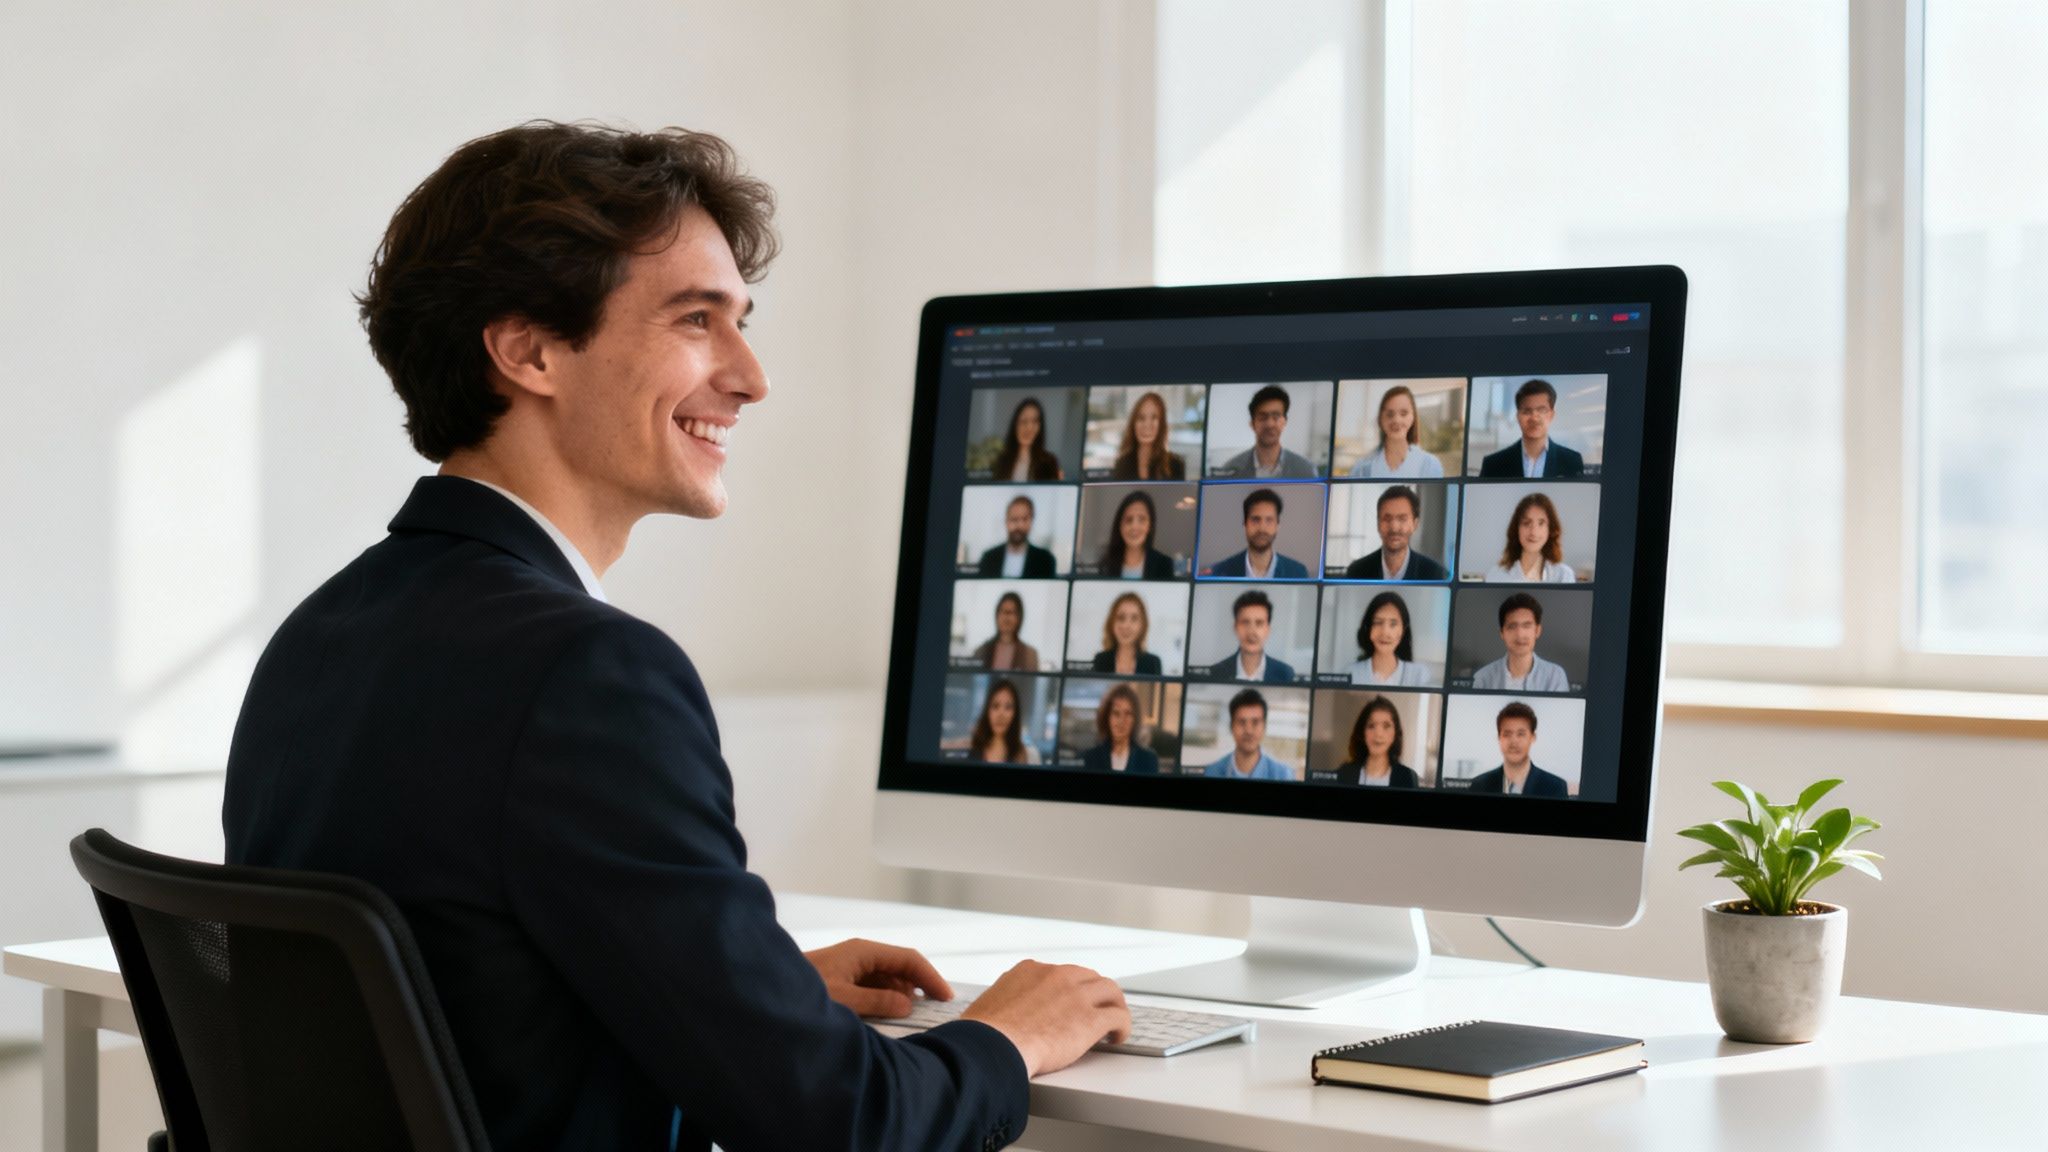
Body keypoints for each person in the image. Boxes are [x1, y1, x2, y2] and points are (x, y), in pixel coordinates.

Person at [223, 121, 1127, 1152]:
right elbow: (844, 1126)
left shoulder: (324, 633)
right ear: (530, 351)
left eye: (740, 322)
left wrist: (750, 995)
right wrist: (1006, 1038)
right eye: (697, 321)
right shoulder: (587, 673)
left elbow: (470, 977)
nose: (750, 376)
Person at [1478, 378, 1585, 478]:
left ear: (1552, 415)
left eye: (1542, 410)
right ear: (1518, 416)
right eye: (1527, 411)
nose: (1534, 418)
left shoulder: (1572, 461)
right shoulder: (1493, 464)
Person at [1469, 593, 1571, 692]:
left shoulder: (1555, 677)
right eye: (1512, 627)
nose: (1520, 634)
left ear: (1537, 631)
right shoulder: (1483, 678)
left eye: (1526, 626)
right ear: (1502, 633)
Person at [1464, 701, 1570, 797]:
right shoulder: (1479, 786)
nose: (1514, 741)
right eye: (1507, 734)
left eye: (1521, 734)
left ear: (1533, 737)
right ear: (1499, 738)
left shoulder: (1555, 787)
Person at [1343, 486, 1449, 580]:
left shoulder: (1435, 574)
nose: (1394, 528)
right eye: (1387, 519)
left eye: (1402, 519)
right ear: (1378, 523)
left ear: (1415, 524)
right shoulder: (1356, 572)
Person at [1203, 488, 1312, 579]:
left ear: (1277, 525)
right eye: (1255, 520)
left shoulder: (1298, 573)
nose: (1262, 528)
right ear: (1245, 524)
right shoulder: (1219, 572)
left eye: (1269, 520)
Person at [1214, 384, 1319, 478]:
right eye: (1262, 417)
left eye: (1276, 416)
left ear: (1284, 422)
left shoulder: (1306, 471)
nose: (1270, 424)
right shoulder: (1231, 471)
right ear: (1252, 424)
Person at [1347, 385, 1445, 479]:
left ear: (1413, 417)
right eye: (1390, 414)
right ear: (1380, 419)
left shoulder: (1430, 465)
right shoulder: (1361, 468)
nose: (1397, 420)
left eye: (1404, 413)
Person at [1200, 590, 1296, 682]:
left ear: (1268, 630)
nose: (1252, 632)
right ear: (1235, 627)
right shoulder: (1216, 673)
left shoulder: (1285, 674)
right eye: (1245, 623)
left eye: (1259, 623)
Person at [1202, 689, 1296, 779]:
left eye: (1255, 722)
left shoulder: (1283, 774)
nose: (1248, 731)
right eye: (1242, 722)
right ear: (1231, 727)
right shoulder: (1212, 772)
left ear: (1264, 727)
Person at [1345, 591, 1432, 687]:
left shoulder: (1420, 675)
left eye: (1393, 624)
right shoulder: (1350, 673)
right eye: (1378, 622)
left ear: (1403, 630)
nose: (1385, 632)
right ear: (1368, 628)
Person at [1483, 491, 1575, 583]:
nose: (1533, 532)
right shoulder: (1496, 575)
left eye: (1541, 523)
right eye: (1526, 523)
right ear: (1516, 528)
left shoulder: (1564, 575)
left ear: (1550, 529)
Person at [1332, 696, 1421, 787]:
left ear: (1395, 734)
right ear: (1362, 732)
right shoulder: (1344, 773)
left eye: (1386, 726)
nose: (1378, 734)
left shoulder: (1407, 777)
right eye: (1371, 726)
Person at [1093, 489, 1176, 579]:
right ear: (1120, 526)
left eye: (1141, 519)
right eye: (1128, 520)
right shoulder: (1104, 566)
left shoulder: (1164, 565)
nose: (1134, 527)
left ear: (1150, 526)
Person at [1080, 683, 1161, 773]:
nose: (1121, 721)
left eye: (1128, 714)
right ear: (1107, 717)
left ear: (1135, 719)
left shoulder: (1148, 759)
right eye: (1116, 713)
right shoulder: (1091, 757)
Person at [976, 493, 1058, 577]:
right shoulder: (989, 558)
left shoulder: (1045, 561)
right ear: (1006, 522)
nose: (1019, 526)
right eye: (1014, 519)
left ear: (1031, 522)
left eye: (1024, 519)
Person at [1110, 390, 1186, 480]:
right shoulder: (1121, 465)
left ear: (1161, 424)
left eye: (1154, 418)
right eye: (1141, 418)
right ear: (1133, 424)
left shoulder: (1175, 465)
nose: (1147, 425)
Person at [990, 395, 1065, 481]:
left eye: (1035, 421)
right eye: (1024, 421)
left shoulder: (1049, 462)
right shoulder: (1002, 460)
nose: (1029, 428)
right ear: (1015, 425)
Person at [971, 678, 1042, 765]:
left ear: (1015, 714)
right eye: (995, 706)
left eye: (1008, 707)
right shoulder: (975, 749)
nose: (1001, 714)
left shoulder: (1027, 755)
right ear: (988, 711)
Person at [1090, 591, 1162, 675]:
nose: (1126, 625)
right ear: (1111, 623)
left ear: (1142, 625)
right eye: (1121, 618)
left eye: (1134, 619)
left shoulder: (1152, 663)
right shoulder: (1101, 660)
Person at [972, 591, 1040, 671]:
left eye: (1011, 612)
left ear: (1019, 617)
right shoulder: (981, 652)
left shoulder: (1030, 655)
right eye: (1003, 611)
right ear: (996, 616)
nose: (1006, 618)